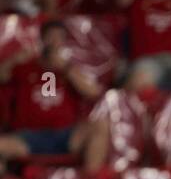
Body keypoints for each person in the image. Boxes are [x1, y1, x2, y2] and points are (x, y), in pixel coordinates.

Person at [0, 21, 110, 169]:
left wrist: (66, 69)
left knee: (100, 126)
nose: (54, 42)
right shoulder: (26, 65)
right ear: (42, 40)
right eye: (50, 37)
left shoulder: (70, 69)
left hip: (65, 136)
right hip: (28, 137)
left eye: (59, 38)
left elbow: (94, 92)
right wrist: (14, 60)